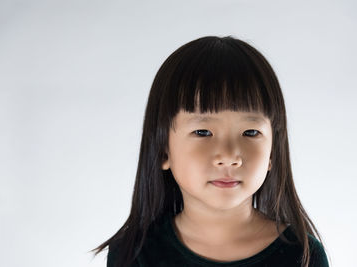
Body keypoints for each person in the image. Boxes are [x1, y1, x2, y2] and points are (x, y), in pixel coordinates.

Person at [91, 35, 330, 267]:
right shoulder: (133, 254)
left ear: (272, 153)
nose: (228, 156)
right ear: (164, 150)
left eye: (250, 133)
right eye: (203, 132)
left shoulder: (303, 256)